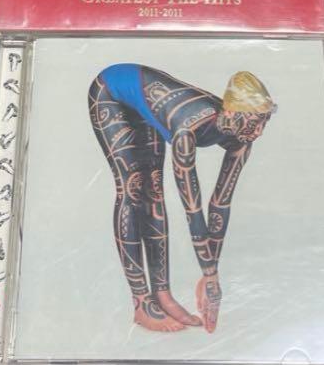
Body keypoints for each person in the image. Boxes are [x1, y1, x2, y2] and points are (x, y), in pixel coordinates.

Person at [88, 64, 275, 333]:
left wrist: (210, 277)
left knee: (154, 191)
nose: (258, 132)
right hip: (111, 93)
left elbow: (220, 204)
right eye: (255, 122)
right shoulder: (187, 130)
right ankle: (141, 303)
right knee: (133, 188)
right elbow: (193, 210)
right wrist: (209, 273)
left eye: (264, 122)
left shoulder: (242, 137)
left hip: (142, 101)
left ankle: (162, 295)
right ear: (231, 112)